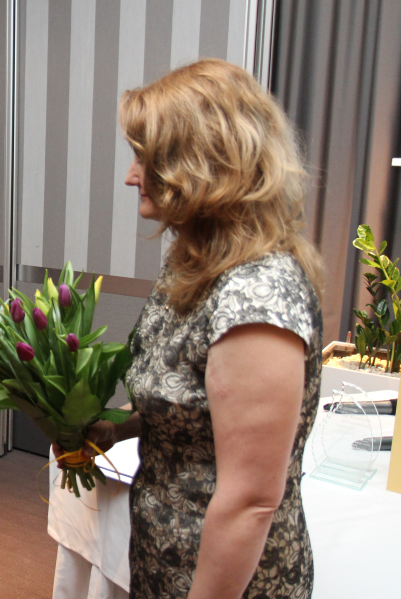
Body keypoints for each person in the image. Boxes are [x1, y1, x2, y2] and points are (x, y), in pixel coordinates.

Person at [80, 59, 324, 599]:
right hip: (167, 563)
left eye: (145, 158)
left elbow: (251, 501)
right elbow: (193, 405)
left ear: (197, 164)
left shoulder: (257, 294)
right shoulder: (193, 262)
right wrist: (119, 427)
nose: (131, 176)